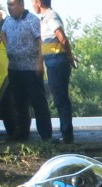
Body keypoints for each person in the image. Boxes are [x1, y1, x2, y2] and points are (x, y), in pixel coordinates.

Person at [0, 0, 52, 142]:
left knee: (38, 102)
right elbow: (2, 33)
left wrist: (40, 63)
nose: (10, 8)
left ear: (21, 5)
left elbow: (41, 42)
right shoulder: (8, 21)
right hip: (14, 68)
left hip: (31, 68)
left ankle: (46, 135)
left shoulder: (32, 20)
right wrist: (9, 47)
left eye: (12, 5)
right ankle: (22, 133)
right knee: (19, 103)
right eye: (8, 5)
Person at [33, 0, 75, 144]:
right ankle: (66, 134)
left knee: (61, 100)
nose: (32, 5)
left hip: (58, 62)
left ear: (38, 2)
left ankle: (67, 135)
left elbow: (62, 37)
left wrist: (69, 56)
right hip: (52, 63)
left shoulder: (51, 16)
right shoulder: (45, 18)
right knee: (59, 99)